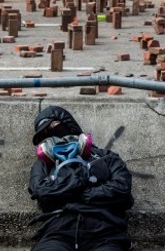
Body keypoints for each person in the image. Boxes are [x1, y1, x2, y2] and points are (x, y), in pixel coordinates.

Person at [28, 105, 134, 251]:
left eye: (53, 126)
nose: (52, 135)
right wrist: (84, 182)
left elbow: (122, 189)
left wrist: (75, 194)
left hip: (105, 232)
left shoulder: (107, 157)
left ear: (68, 125)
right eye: (45, 134)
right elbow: (41, 192)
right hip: (58, 232)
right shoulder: (43, 165)